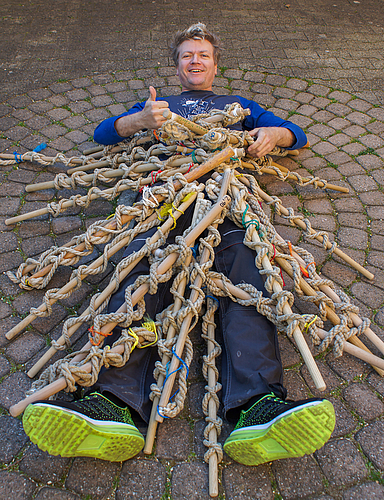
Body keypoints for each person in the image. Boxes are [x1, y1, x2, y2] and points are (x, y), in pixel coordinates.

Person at [22, 23, 335, 466]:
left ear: (213, 63)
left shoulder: (239, 106)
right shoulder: (158, 107)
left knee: (249, 278)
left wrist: (275, 136)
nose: (195, 61)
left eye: (202, 55)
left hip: (226, 198)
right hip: (164, 199)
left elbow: (293, 134)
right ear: (176, 65)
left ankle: (257, 406)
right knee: (141, 280)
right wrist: (140, 120)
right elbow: (105, 133)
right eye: (187, 55)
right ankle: (112, 401)